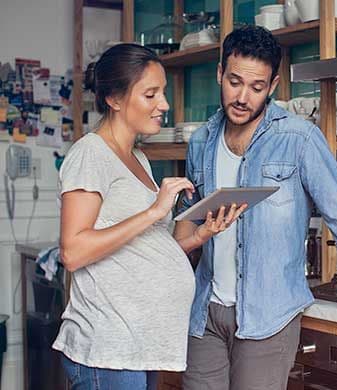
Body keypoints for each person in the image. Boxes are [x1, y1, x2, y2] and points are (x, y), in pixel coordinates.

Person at [174, 25, 337, 390]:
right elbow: (192, 223)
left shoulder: (299, 139)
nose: (242, 97)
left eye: (256, 88)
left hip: (269, 316)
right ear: (220, 73)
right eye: (234, 82)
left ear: (273, 86)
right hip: (205, 314)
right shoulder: (202, 140)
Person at [54, 43, 245, 390]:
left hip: (141, 346)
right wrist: (155, 210)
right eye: (151, 94)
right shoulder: (90, 154)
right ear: (114, 99)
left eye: (164, 93)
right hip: (109, 350)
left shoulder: (137, 158)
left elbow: (144, 246)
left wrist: (198, 237)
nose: (164, 105)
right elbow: (73, 251)